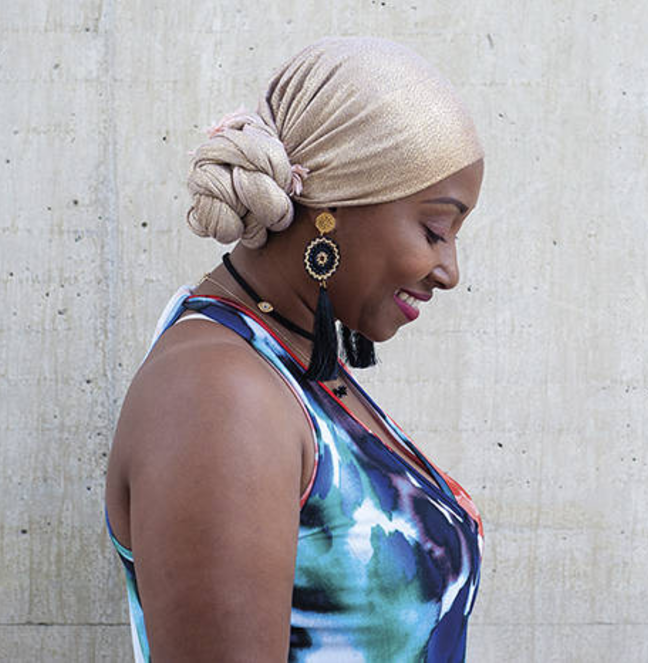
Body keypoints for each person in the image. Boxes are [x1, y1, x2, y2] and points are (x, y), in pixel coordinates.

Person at [104, 36, 485, 662]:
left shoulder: (288, 364)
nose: (448, 271)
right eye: (435, 230)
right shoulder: (219, 395)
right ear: (333, 205)